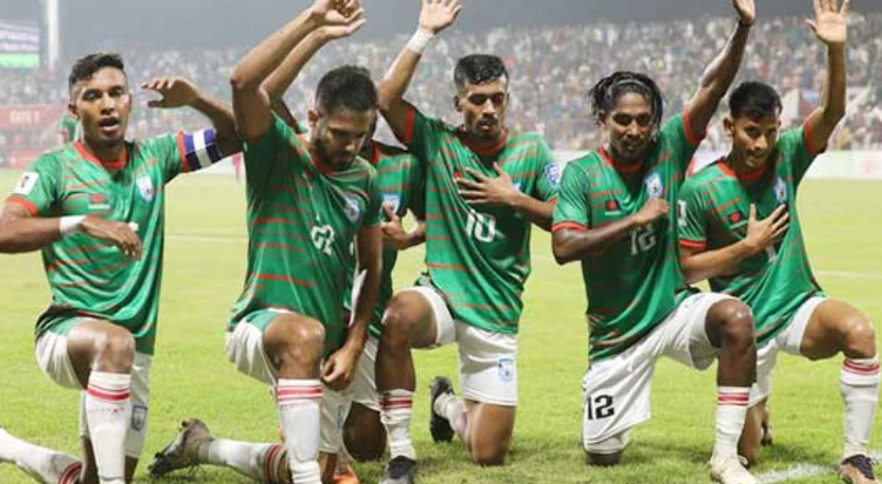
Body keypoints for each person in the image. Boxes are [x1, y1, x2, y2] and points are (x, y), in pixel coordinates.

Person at [149, 17, 425, 484]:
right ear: (313, 118)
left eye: (360, 136)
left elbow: (371, 267)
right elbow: (245, 82)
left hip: (327, 340)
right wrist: (315, 26)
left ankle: (203, 446)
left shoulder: (364, 179)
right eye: (340, 133)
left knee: (349, 454)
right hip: (260, 324)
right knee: (303, 339)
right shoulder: (277, 151)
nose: (350, 146)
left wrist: (355, 344)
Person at [0, 52, 238, 484]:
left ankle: (10, 447)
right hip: (66, 334)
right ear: (74, 110)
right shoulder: (56, 168)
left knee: (95, 476)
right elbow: (4, 230)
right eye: (93, 96)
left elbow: (242, 135)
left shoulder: (156, 157)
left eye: (116, 93)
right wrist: (79, 222)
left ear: (130, 101)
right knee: (114, 343)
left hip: (134, 350)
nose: (107, 104)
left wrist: (196, 99)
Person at [551, 1, 760, 483]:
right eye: (623, 120)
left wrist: (743, 28)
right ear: (603, 119)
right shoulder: (582, 174)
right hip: (616, 336)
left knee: (735, 317)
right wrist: (634, 220)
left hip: (672, 310)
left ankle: (725, 457)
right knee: (602, 454)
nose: (634, 130)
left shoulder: (668, 148)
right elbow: (563, 248)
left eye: (643, 120)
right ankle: (607, 422)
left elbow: (712, 88)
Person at [677, 1, 880, 483]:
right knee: (749, 451)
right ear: (729, 127)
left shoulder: (787, 156)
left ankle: (855, 456)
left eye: (770, 132)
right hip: (746, 330)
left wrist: (836, 50)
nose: (762, 144)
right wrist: (745, 248)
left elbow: (832, 112)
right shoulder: (699, 190)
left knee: (859, 332)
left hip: (797, 306)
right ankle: (759, 399)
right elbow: (688, 269)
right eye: (752, 132)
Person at [374, 0, 561, 481]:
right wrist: (423, 34)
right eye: (477, 99)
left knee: (487, 453)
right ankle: (401, 452)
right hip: (442, 294)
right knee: (396, 317)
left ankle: (445, 403)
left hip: (496, 312)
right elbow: (386, 99)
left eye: (497, 98)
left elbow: (567, 220)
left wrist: (514, 198)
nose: (489, 109)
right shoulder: (439, 143)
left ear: (508, 99)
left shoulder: (532, 151)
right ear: (458, 104)